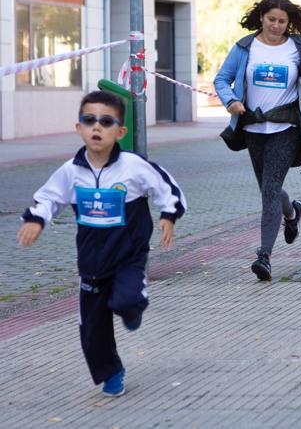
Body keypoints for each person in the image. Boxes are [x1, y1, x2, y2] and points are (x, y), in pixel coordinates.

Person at [16, 91, 187, 396]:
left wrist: (169, 215)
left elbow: (165, 187)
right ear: (78, 127)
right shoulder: (71, 171)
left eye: (106, 121)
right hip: (91, 262)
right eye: (89, 120)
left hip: (129, 256)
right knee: (92, 330)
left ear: (120, 131)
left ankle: (132, 311)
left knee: (126, 300)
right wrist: (35, 219)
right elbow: (49, 197)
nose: (97, 127)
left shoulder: (133, 166)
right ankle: (111, 372)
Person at [214, 0, 301, 281]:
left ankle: (264, 255)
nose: (276, 25)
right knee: (269, 189)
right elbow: (221, 80)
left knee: (271, 188)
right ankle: (292, 212)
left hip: (286, 127)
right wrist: (230, 101)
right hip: (253, 128)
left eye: (282, 21)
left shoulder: (297, 47)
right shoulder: (244, 47)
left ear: (289, 23)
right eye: (271, 19)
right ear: (261, 17)